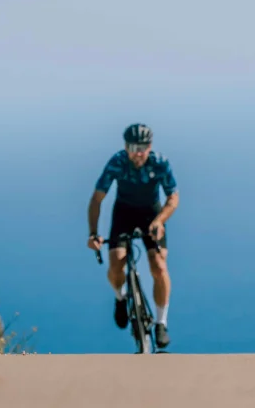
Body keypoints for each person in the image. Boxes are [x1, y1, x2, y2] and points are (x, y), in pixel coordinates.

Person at [86, 123, 179, 348]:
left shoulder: (160, 163)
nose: (137, 153)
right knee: (116, 262)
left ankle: (161, 323)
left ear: (150, 147)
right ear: (125, 147)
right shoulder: (117, 162)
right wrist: (93, 234)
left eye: (142, 148)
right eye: (133, 148)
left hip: (151, 214)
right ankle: (120, 297)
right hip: (124, 213)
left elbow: (173, 198)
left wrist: (160, 221)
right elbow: (97, 199)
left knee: (159, 265)